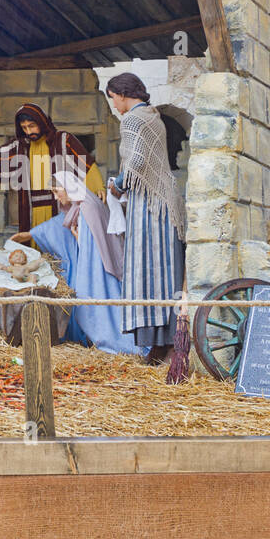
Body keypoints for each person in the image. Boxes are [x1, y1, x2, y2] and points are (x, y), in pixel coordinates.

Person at [104, 73, 185, 365]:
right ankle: (166, 344)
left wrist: (118, 184)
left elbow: (136, 161)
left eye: (112, 98)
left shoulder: (133, 119)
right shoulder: (154, 116)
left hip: (149, 205)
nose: (113, 105)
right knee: (166, 270)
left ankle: (162, 345)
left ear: (121, 93)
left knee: (146, 270)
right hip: (165, 202)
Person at [20, 170, 142, 355]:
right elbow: (63, 225)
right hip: (100, 265)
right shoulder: (83, 204)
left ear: (68, 188)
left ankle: (112, 340)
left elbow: (92, 247)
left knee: (89, 304)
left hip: (98, 271)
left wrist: (78, 238)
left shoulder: (86, 209)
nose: (55, 197)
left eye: (56, 191)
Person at [0, 103, 104, 233]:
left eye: (32, 126)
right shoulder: (20, 146)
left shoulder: (63, 140)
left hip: (61, 208)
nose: (29, 132)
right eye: (24, 128)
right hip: (31, 212)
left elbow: (85, 163)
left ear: (42, 122)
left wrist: (98, 186)